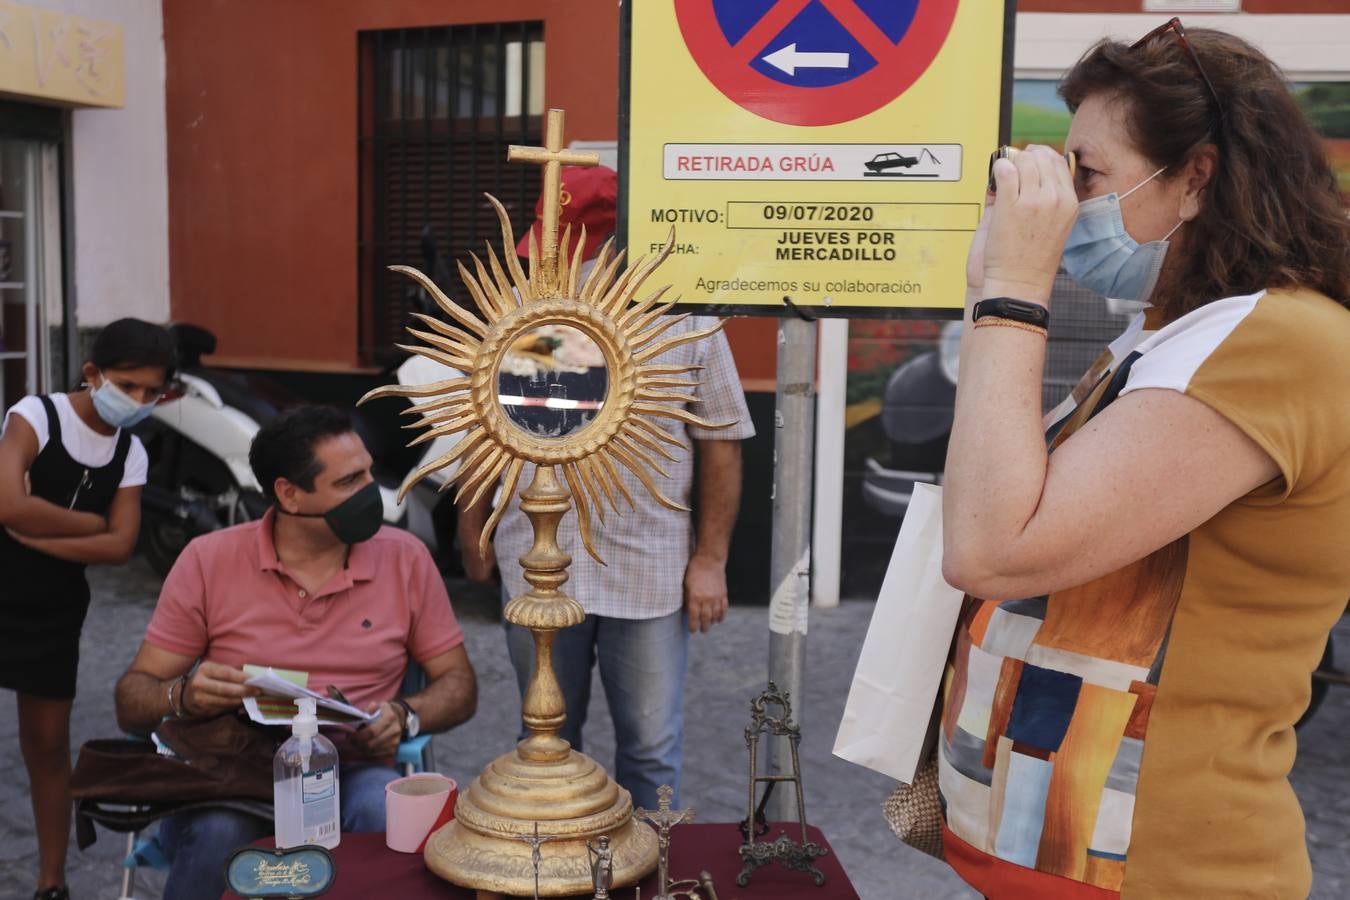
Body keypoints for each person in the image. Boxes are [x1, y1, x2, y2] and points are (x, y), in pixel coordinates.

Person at [936, 19, 1350, 900]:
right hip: (1068, 849)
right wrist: (986, 292)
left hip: (1162, 865)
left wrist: (1012, 290)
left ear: (1195, 178)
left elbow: (990, 548)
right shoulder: (1171, 334)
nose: (1067, 200)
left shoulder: (1281, 341)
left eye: (1087, 173)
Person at [459, 164, 755, 809]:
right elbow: (474, 430)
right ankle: (549, 868)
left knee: (650, 747)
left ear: (609, 244)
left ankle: (651, 869)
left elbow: (723, 440)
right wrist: (470, 528)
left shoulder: (683, 316)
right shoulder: (512, 313)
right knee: (543, 737)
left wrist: (710, 559)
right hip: (532, 557)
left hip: (647, 565)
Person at [114, 405, 477, 900]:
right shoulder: (210, 559)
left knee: (382, 814)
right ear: (290, 494)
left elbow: (460, 685)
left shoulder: (404, 557)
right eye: (350, 481)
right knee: (218, 834)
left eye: (370, 472)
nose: (373, 492)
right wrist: (183, 696)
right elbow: (131, 700)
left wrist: (406, 715)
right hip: (234, 773)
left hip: (354, 765)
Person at [0, 318, 175, 900]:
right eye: (128, 386)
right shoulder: (35, 416)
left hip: (53, 609)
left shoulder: (131, 452)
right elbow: (7, 504)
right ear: (92, 374)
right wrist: (88, 523)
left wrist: (37, 529)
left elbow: (120, 545)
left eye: (153, 392)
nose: (140, 401)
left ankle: (52, 881)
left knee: (47, 745)